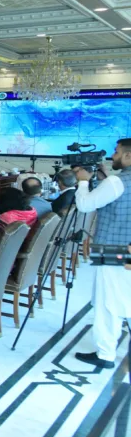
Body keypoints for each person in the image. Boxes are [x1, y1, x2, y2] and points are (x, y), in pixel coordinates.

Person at [73, 139, 131, 369]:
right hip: (125, 246)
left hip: (113, 248)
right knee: (124, 297)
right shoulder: (115, 181)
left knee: (108, 303)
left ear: (128, 156)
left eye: (117, 152)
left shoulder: (118, 181)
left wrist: (84, 183)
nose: (113, 156)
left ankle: (106, 353)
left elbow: (85, 206)